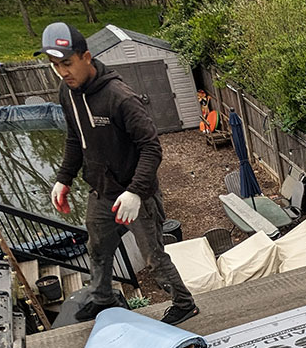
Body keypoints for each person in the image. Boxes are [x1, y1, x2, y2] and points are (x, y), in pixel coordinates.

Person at [36, 21, 199, 326]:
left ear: (86, 57)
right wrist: (64, 178)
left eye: (67, 63)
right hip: (101, 193)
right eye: (55, 65)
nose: (62, 72)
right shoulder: (66, 92)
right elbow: (75, 138)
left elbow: (152, 148)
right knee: (98, 248)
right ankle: (102, 299)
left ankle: (184, 302)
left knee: (153, 257)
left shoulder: (120, 97)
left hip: (136, 196)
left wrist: (136, 191)